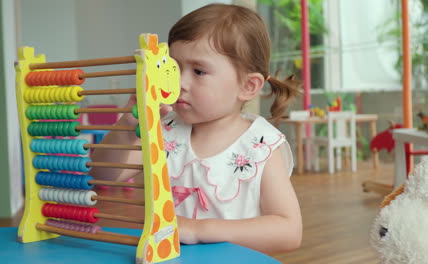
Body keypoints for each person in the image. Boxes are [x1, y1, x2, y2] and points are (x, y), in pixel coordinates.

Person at [91, 3, 302, 254]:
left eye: (199, 71)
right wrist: (128, 126)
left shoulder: (261, 146)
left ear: (247, 86)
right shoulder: (165, 128)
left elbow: (289, 232)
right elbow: (102, 175)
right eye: (174, 68)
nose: (179, 82)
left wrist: (199, 229)